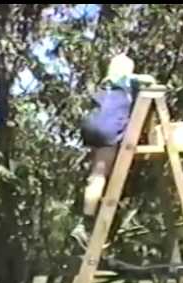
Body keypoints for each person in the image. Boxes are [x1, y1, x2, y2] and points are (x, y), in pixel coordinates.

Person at [70, 53, 156, 248]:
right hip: (108, 128)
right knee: (102, 177)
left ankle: (86, 222)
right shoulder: (126, 80)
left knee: (96, 175)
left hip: (91, 126)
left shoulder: (105, 84)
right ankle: (90, 224)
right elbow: (149, 80)